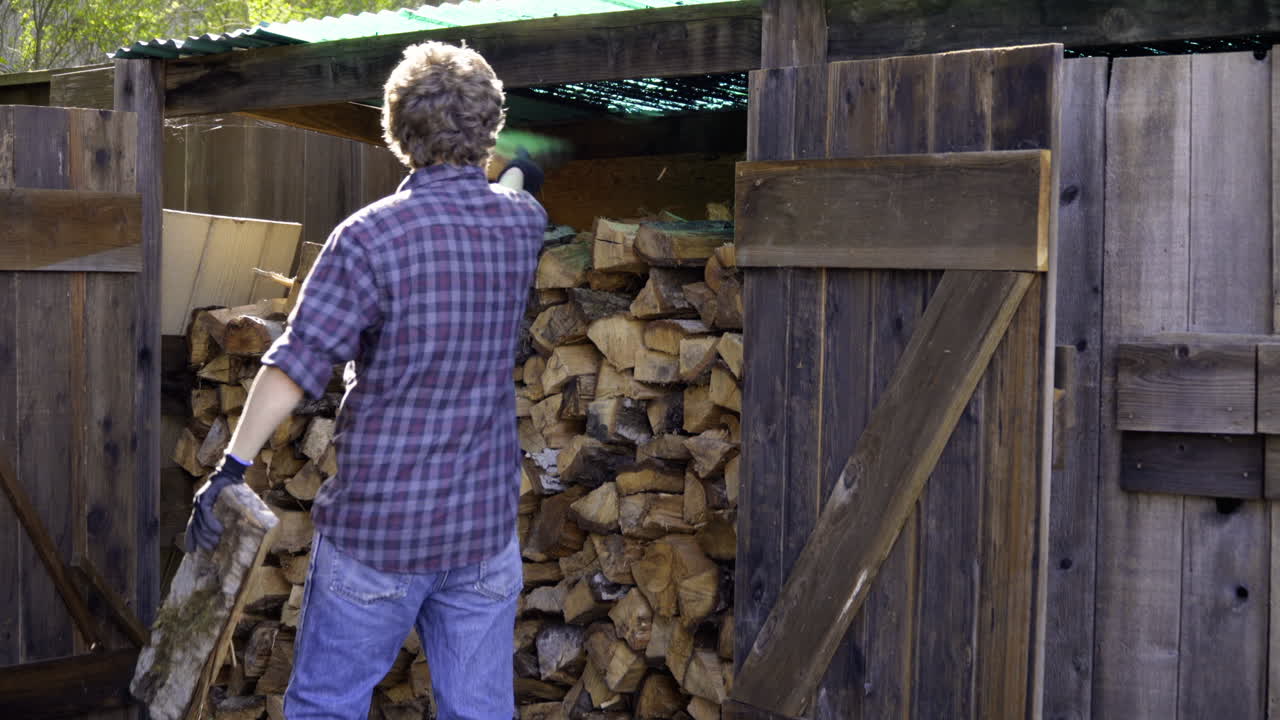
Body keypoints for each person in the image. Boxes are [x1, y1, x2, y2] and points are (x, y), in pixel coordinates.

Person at [183, 40, 547, 720]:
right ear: (490, 127)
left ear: (394, 129)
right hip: (481, 533)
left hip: (380, 533)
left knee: (327, 707)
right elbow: (516, 189)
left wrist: (229, 469)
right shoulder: (521, 225)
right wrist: (517, 173)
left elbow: (296, 361)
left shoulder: (369, 237)